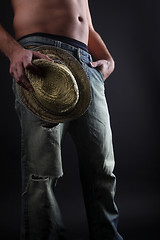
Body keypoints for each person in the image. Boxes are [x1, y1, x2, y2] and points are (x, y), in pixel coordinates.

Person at [0, 0, 123, 240]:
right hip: (39, 57)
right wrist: (14, 51)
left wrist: (108, 59)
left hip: (86, 64)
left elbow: (85, 23)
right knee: (42, 173)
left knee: (102, 169)